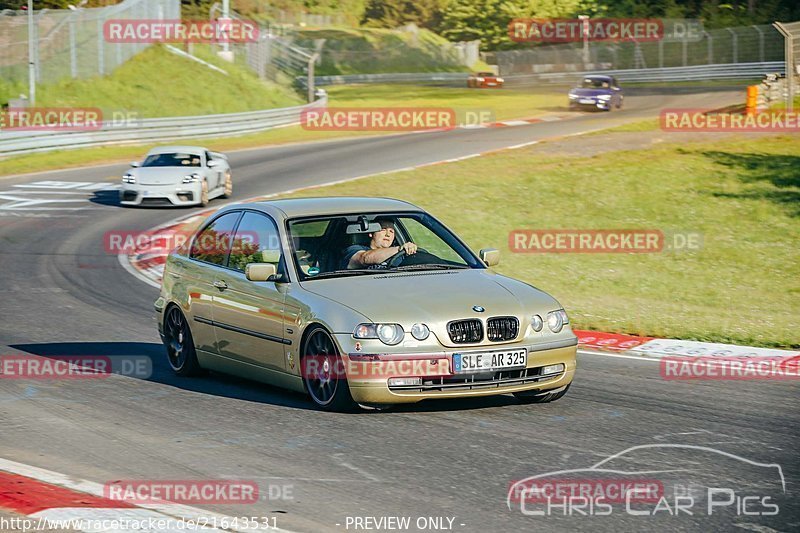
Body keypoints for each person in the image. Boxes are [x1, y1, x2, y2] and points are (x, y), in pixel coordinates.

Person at [343, 218, 417, 269]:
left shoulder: (401, 254)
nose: (388, 234)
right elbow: (365, 258)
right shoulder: (354, 249)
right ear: (371, 233)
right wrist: (399, 249)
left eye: (391, 231)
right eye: (383, 230)